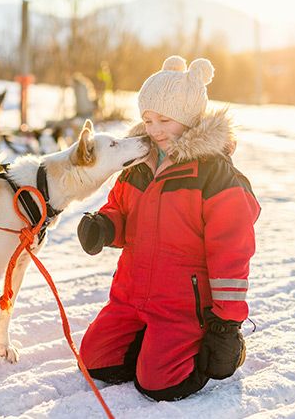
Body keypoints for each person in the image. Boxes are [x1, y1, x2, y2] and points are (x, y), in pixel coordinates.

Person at [77, 55, 260, 401]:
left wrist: (226, 323)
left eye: (164, 119)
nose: (154, 129)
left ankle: (202, 348)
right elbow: (120, 209)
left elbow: (231, 254)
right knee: (95, 360)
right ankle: (152, 343)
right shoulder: (138, 163)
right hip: (132, 295)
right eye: (147, 119)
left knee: (159, 383)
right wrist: (104, 225)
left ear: (189, 119)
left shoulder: (213, 175)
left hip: (181, 304)